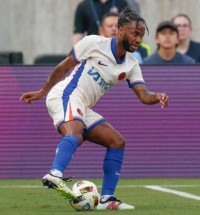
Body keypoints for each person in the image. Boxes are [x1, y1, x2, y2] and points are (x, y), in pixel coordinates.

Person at [20, 8, 169, 210]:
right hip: (65, 94)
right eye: (135, 33)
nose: (138, 39)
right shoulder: (94, 43)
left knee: (116, 142)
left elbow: (143, 95)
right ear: (120, 30)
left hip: (83, 106)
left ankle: (107, 199)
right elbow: (63, 66)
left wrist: (157, 96)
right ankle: (54, 174)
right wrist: (42, 91)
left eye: (141, 35)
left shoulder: (132, 64)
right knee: (76, 131)